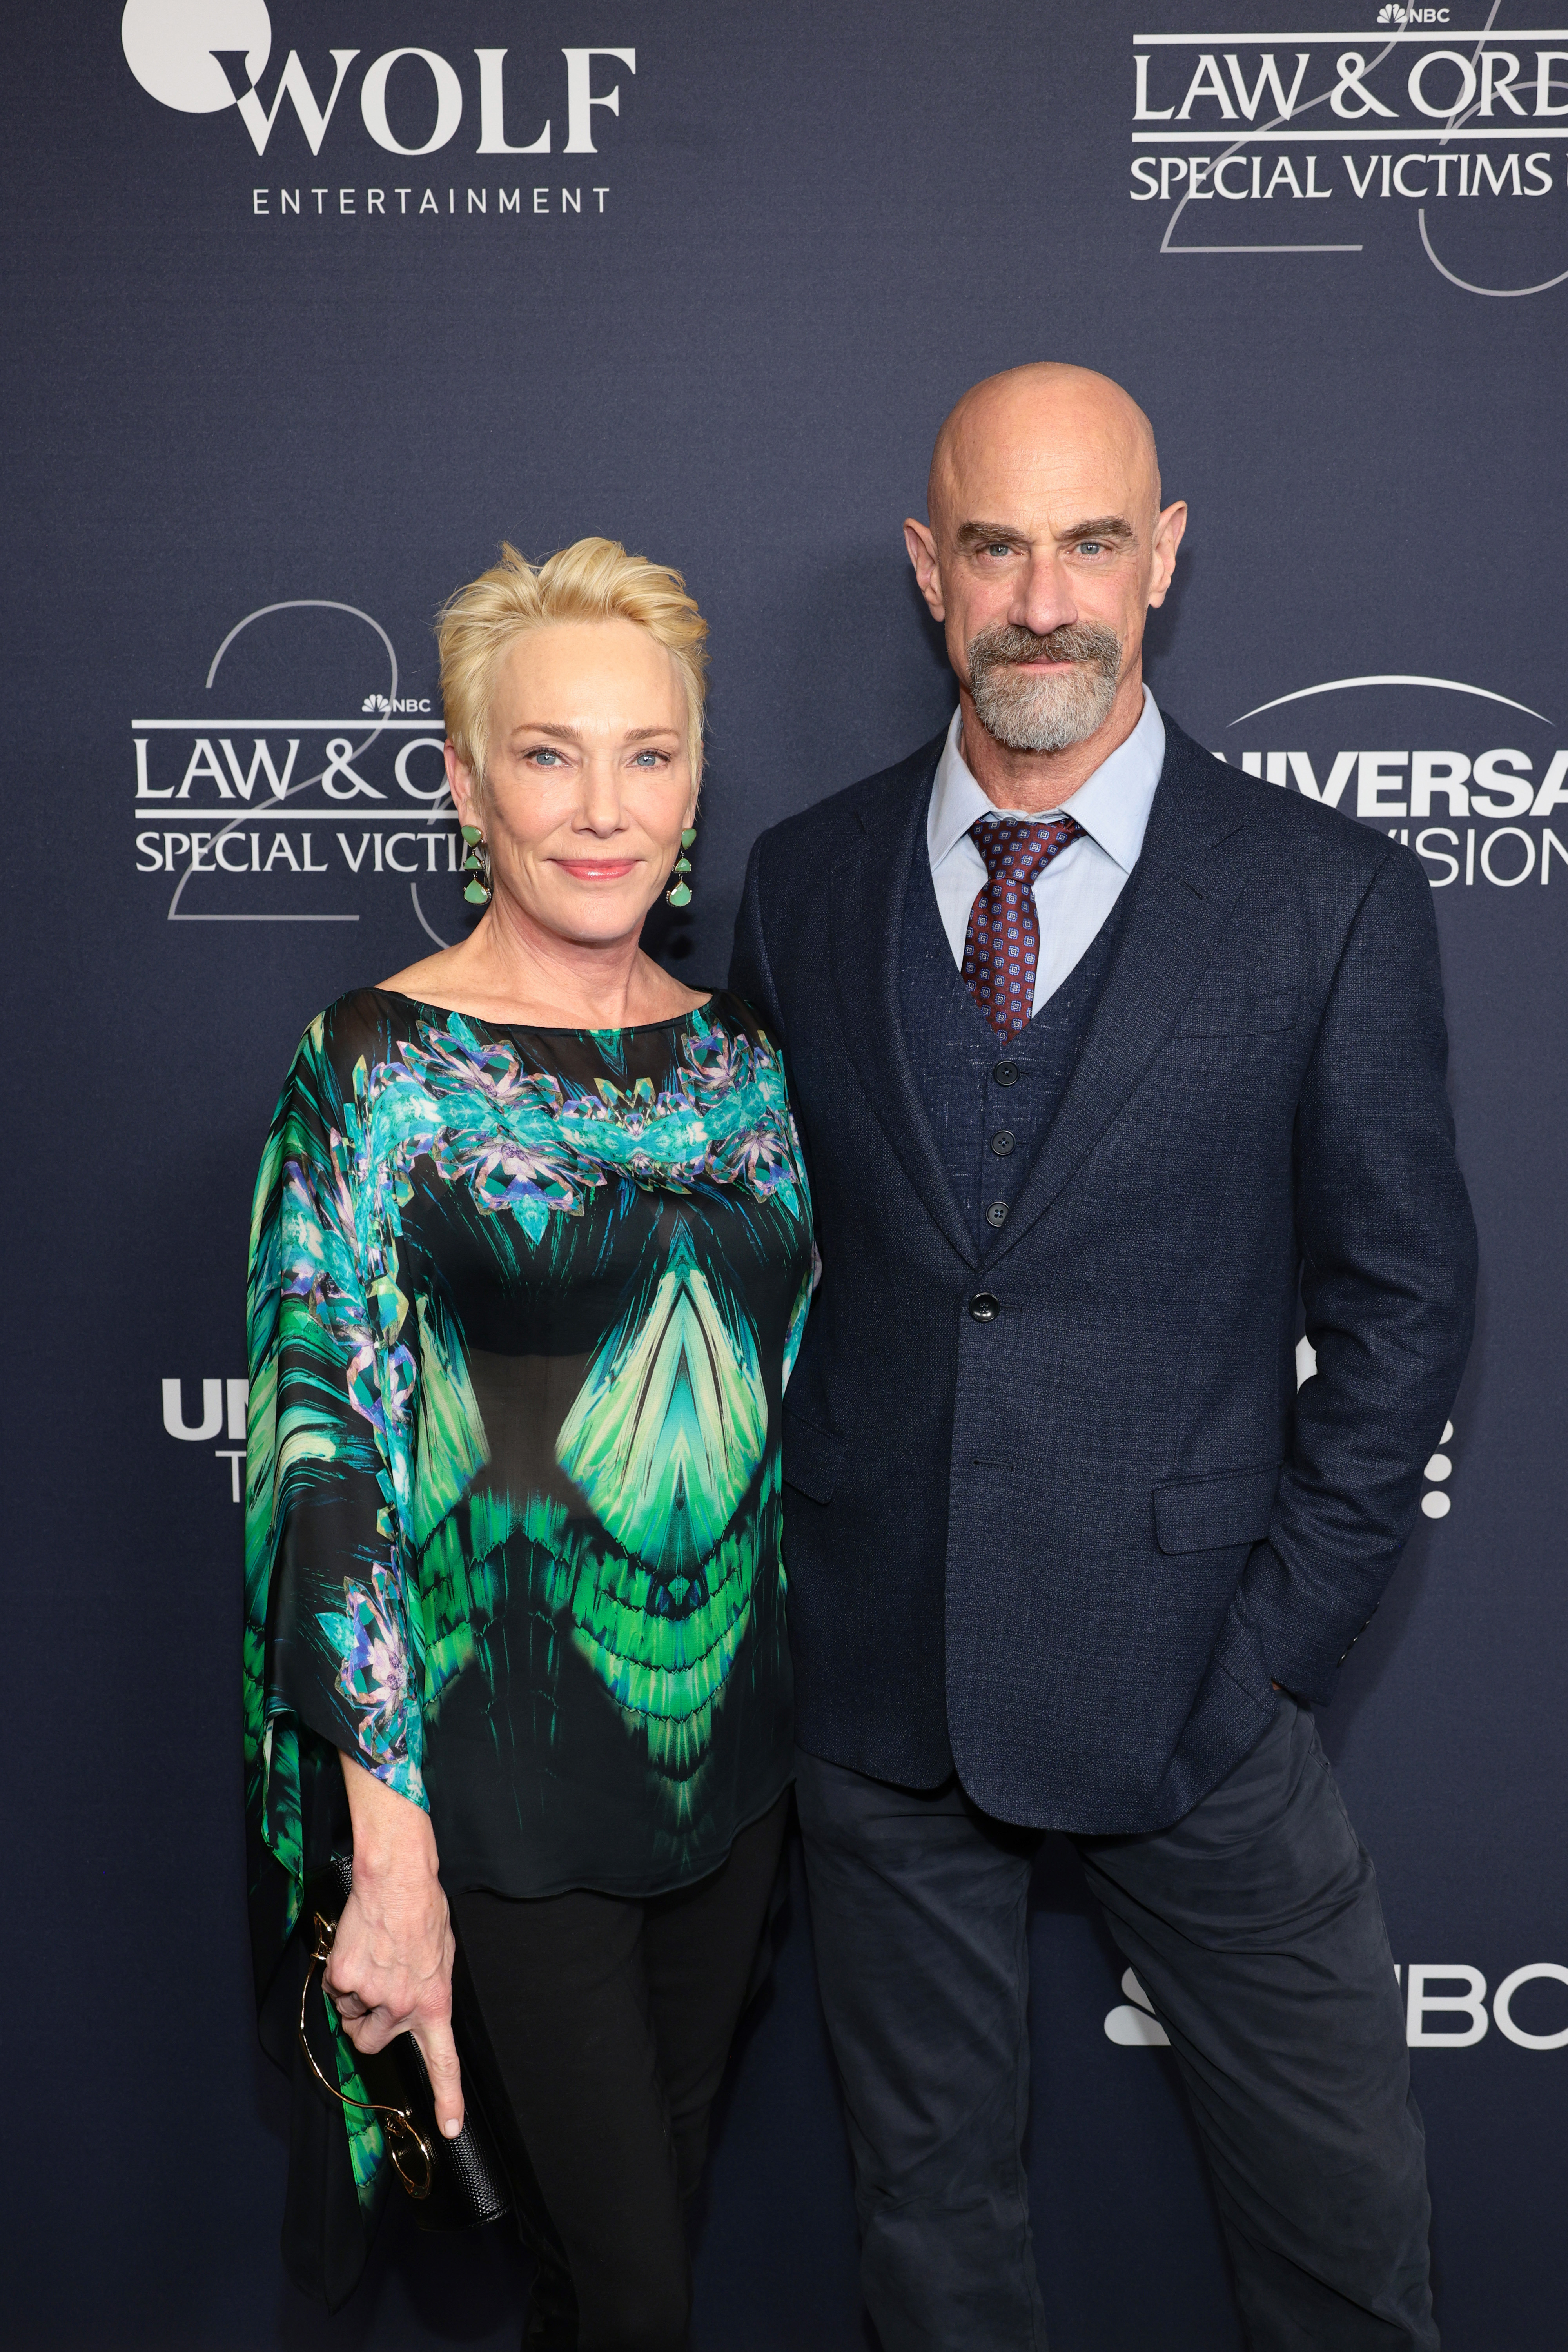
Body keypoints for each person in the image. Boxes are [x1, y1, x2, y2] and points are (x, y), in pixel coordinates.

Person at [730, 364, 1477, 2351]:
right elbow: (751, 1267)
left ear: (1162, 558)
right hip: (881, 1693)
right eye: (994, 545)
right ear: (927, 571)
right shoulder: (800, 888)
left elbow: (1403, 1303)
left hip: (1194, 1695)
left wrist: (1269, 1650)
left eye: (1085, 543)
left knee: (1343, 2239)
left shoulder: (1327, 903)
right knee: (933, 2246)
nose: (1040, 598)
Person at [244, 537, 815, 2349]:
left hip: (729, 1783)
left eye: (646, 757)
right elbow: (321, 1475)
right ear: (465, 778)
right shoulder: (373, 1068)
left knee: (602, 2271)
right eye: (549, 754)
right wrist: (389, 1864)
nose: (601, 808)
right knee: (643, 2298)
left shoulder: (744, 1054)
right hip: (495, 1797)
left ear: (696, 784)